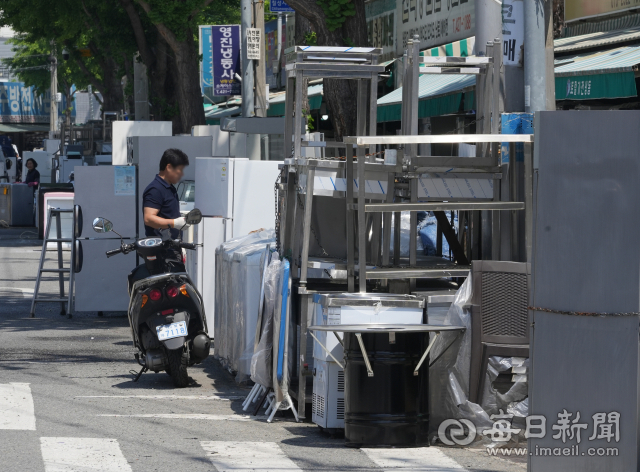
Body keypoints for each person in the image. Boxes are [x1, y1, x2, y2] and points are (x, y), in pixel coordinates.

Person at [142, 148, 190, 239]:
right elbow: (148, 219)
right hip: (160, 249)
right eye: (180, 170)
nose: (182, 174)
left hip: (172, 247)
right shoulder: (155, 189)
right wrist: (174, 223)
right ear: (169, 167)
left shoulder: (170, 188)